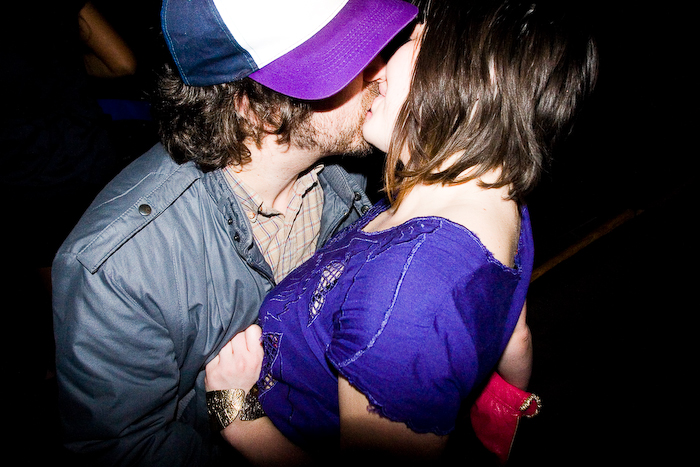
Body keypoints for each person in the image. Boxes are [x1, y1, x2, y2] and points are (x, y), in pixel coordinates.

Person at [204, 0, 599, 464]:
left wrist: (238, 415)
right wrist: (501, 405)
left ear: (472, 85)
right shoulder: (503, 197)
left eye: (415, 39)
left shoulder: (405, 301)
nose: (380, 62)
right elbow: (517, 335)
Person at [51, 0, 418, 465]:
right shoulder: (119, 268)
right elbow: (124, 449)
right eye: (349, 66)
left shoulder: (353, 178)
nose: (382, 75)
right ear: (257, 110)